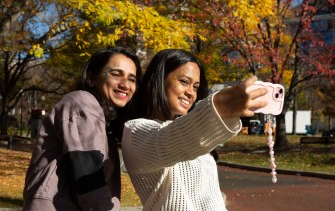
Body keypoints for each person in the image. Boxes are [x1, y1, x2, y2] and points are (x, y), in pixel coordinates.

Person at [121, 49, 267, 211]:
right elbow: (169, 140)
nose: (191, 92)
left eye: (196, 87)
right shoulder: (135, 132)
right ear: (159, 80)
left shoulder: (188, 131)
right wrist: (219, 108)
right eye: (184, 81)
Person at [23, 47, 142, 211]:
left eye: (132, 79)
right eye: (116, 74)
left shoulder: (105, 125)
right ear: (92, 78)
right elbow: (89, 176)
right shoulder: (82, 103)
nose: (125, 85)